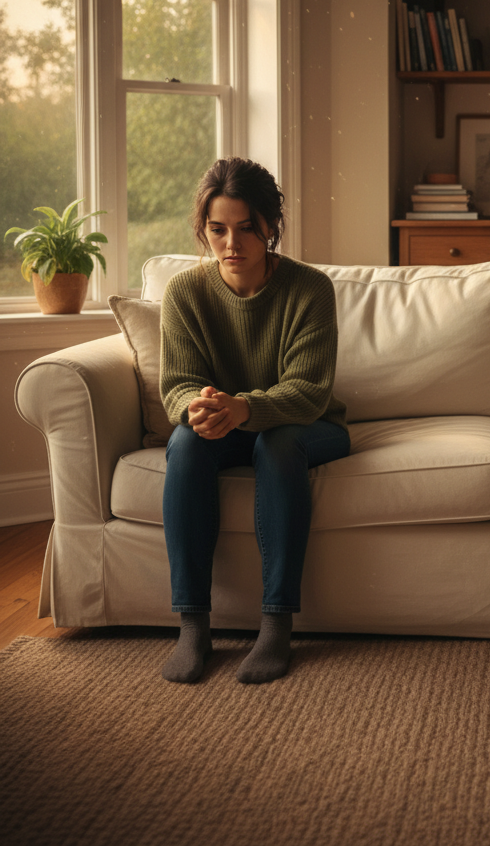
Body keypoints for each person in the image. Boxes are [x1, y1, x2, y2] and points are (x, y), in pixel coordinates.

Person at [159, 158, 349, 684]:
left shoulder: (309, 289)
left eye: (246, 228)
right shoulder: (185, 293)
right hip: (223, 425)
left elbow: (309, 391)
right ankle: (193, 627)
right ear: (205, 231)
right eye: (218, 230)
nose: (232, 243)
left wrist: (245, 408)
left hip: (307, 425)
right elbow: (176, 383)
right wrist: (196, 408)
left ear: (271, 225)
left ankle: (276, 625)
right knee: (186, 442)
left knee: (279, 444)